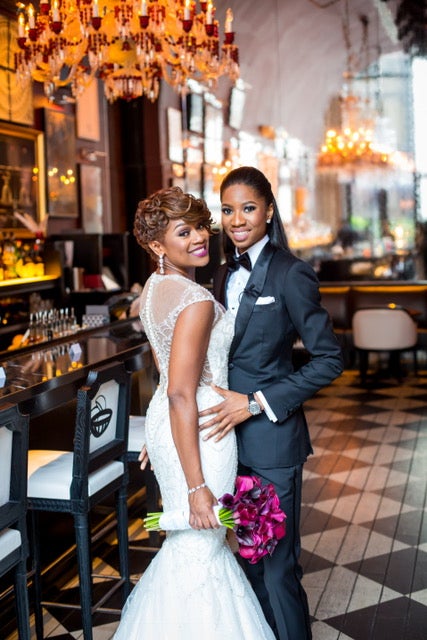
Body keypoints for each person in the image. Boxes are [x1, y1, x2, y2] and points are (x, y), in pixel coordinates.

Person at [113, 186, 275, 640]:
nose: (201, 237)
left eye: (201, 225)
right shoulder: (197, 300)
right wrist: (197, 485)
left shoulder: (153, 290)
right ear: (157, 245)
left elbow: (168, 378)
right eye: (184, 231)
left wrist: (159, 432)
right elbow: (183, 392)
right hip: (203, 431)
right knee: (202, 547)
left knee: (193, 544)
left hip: (176, 427)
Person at [199, 167, 344, 640]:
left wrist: (257, 403)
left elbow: (329, 359)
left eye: (247, 208)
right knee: (245, 566)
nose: (237, 219)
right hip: (224, 445)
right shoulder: (221, 273)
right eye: (227, 209)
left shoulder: (290, 272)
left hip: (272, 443)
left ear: (268, 211)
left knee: (278, 569)